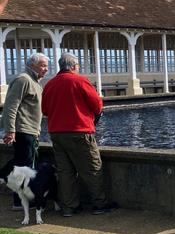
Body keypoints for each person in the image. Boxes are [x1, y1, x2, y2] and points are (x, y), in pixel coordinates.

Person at [41, 52, 116, 216]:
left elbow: (45, 110)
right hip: (79, 131)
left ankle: (69, 207)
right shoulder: (80, 80)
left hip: (57, 133)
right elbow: (97, 105)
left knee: (65, 172)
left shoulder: (50, 84)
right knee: (92, 168)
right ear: (74, 66)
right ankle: (99, 204)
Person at [0, 53, 49, 209]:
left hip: (30, 131)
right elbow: (10, 106)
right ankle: (19, 202)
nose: (46, 69)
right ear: (32, 65)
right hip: (23, 131)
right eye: (42, 65)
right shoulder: (23, 80)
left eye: (46, 65)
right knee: (23, 167)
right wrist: (10, 131)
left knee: (24, 165)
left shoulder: (34, 82)